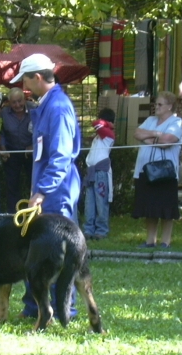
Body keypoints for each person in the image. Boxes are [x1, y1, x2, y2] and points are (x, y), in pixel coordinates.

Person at [10, 53, 81, 319]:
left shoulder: (59, 107)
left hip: (57, 192)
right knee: (38, 250)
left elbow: (61, 157)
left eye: (26, 81)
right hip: (46, 190)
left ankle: (65, 310)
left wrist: (42, 191)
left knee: (59, 252)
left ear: (37, 77)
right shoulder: (47, 104)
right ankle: (35, 308)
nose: (25, 87)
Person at [132, 91, 182, 248]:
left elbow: (167, 141)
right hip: (145, 170)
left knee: (166, 207)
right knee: (149, 206)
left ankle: (165, 242)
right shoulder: (150, 120)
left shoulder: (176, 122)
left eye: (160, 104)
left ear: (170, 106)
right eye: (156, 104)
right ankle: (150, 240)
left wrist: (149, 139)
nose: (156, 107)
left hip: (165, 172)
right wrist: (156, 133)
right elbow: (137, 133)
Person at [0, 87, 35, 213]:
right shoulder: (3, 113)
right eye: (14, 102)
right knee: (12, 184)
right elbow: (0, 132)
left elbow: (42, 130)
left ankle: (34, 212)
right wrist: (3, 148)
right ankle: (13, 214)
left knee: (34, 182)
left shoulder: (34, 109)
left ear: (24, 99)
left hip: (30, 151)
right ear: (9, 103)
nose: (17, 104)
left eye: (20, 101)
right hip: (12, 151)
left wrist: (33, 146)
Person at [83, 108, 115, 240]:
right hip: (92, 170)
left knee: (101, 202)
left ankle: (101, 230)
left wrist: (108, 124)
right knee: (89, 202)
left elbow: (96, 123)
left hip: (101, 172)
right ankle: (89, 229)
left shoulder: (108, 134)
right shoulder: (100, 135)